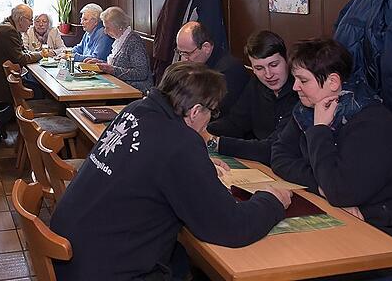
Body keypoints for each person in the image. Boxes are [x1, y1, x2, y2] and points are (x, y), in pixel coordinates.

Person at [50, 61, 292, 281]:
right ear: (196, 111)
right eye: (212, 112)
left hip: (76, 254)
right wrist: (271, 201)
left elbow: (147, 161)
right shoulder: (180, 143)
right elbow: (231, 228)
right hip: (109, 269)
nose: (210, 120)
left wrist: (199, 165)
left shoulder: (135, 110)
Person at [271, 38, 392, 281]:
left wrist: (320, 131)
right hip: (361, 231)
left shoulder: (372, 122)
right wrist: (322, 185)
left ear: (333, 82)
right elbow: (280, 157)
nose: (295, 88)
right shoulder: (306, 110)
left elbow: (340, 192)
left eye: (303, 81)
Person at [205, 30, 298, 165]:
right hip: (259, 164)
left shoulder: (299, 92)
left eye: (273, 65)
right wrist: (202, 130)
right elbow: (236, 122)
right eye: (259, 68)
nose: (268, 74)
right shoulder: (256, 84)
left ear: (287, 61)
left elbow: (273, 147)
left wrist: (214, 142)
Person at [0, 4, 43, 141]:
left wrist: (34, 54)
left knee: (35, 86)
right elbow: (20, 58)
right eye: (30, 19)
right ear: (21, 19)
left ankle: (3, 116)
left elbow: (21, 52)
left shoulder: (7, 26)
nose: (31, 23)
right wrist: (42, 54)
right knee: (39, 91)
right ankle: (3, 118)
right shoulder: (8, 31)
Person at [175, 21, 249, 116]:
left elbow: (217, 114)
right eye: (180, 52)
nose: (183, 59)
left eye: (187, 54)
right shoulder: (192, 65)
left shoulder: (229, 71)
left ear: (206, 47)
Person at [84, 6, 153, 94]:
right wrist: (99, 63)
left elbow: (141, 73)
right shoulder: (119, 39)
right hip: (120, 86)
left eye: (107, 27)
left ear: (119, 26)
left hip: (136, 90)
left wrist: (112, 70)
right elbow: (117, 65)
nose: (105, 31)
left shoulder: (134, 41)